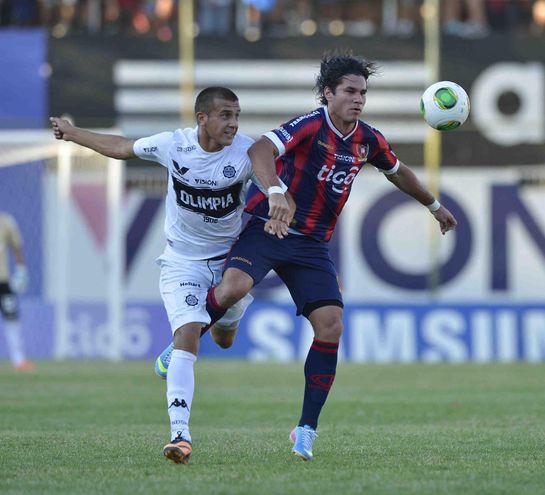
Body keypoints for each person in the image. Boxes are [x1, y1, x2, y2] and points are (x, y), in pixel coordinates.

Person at [157, 52, 457, 462]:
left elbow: (398, 171)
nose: (358, 99)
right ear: (329, 93)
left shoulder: (368, 139)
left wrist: (433, 205)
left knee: (331, 325)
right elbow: (261, 149)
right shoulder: (311, 124)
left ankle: (306, 429)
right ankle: (181, 346)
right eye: (350, 91)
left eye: (363, 93)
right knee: (233, 287)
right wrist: (277, 190)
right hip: (268, 225)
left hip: (312, 245)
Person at [50, 86, 292, 465]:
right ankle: (180, 435)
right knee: (189, 334)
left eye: (237, 115)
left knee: (226, 338)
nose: (233, 123)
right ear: (202, 118)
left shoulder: (245, 152)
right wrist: (73, 132)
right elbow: (122, 147)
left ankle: (208, 329)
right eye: (225, 115)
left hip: (230, 261)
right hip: (182, 261)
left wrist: (279, 197)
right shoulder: (172, 145)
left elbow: (273, 179)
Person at [0, 211, 33, 371]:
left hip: (2, 280)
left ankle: (19, 360)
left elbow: (17, 246)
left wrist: (20, 269)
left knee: (12, 318)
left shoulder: (5, 222)